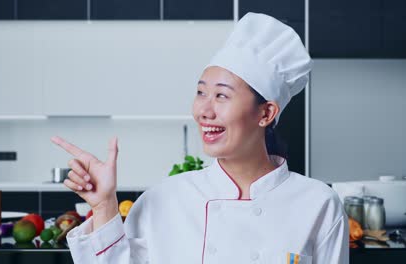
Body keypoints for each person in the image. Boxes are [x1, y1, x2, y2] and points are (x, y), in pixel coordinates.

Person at [51, 12, 349, 264]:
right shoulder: (162, 200)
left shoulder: (317, 204)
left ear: (266, 113)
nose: (203, 111)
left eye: (221, 95)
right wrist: (104, 206)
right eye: (201, 92)